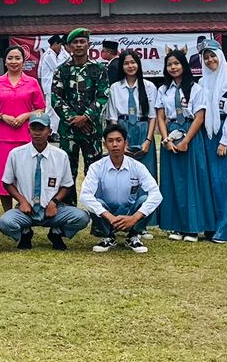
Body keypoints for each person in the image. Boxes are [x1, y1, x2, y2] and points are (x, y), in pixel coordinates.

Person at [0, 115, 89, 249]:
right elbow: (7, 182)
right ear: (28, 131)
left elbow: (67, 185)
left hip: (53, 210)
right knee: (4, 222)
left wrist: (54, 202)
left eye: (42, 129)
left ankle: (56, 232)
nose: (37, 132)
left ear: (50, 131)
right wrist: (22, 201)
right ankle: (25, 233)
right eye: (34, 128)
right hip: (26, 210)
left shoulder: (60, 155)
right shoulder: (16, 154)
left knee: (82, 217)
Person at [155, 49, 212, 240]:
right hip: (170, 135)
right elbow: (161, 116)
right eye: (169, 64)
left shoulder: (196, 89)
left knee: (191, 181)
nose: (173, 67)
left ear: (184, 65)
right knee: (173, 182)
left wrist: (186, 140)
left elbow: (200, 116)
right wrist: (165, 139)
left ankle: (192, 227)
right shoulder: (163, 90)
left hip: (190, 135)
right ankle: (176, 226)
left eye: (176, 63)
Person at [193, 38, 227, 243]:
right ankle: (212, 225)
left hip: (226, 134)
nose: (209, 60)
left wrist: (226, 140)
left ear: (221, 56)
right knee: (211, 182)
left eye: (213, 55)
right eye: (205, 57)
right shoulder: (203, 81)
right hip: (208, 133)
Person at [80, 124, 163, 253]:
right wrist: (109, 216)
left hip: (130, 212)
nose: (114, 145)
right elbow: (85, 195)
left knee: (145, 199)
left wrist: (134, 218)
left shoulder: (137, 166)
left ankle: (133, 236)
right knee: (96, 202)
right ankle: (107, 236)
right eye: (110, 141)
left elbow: (156, 194)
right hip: (106, 214)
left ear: (125, 143)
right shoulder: (96, 167)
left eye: (118, 140)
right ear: (104, 144)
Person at [0, 45, 47, 189]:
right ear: (5, 61)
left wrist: (26, 115)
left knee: (26, 176)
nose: (14, 61)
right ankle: (8, 211)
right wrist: (2, 117)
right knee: (2, 176)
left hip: (25, 136)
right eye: (10, 58)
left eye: (17, 58)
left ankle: (25, 208)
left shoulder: (32, 82)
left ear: (23, 61)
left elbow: (41, 109)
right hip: (2, 137)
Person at [52, 28, 109, 179]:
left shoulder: (99, 69)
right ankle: (68, 203)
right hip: (68, 130)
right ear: (69, 46)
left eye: (82, 42)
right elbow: (56, 98)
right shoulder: (61, 70)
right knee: (67, 174)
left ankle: (94, 203)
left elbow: (103, 96)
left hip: (91, 129)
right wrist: (74, 119)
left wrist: (85, 117)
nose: (78, 45)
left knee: (94, 173)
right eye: (75, 42)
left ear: (89, 44)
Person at [105, 50, 160, 178]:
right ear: (121, 66)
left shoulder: (149, 86)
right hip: (123, 130)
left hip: (143, 129)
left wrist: (148, 140)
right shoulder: (115, 88)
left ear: (139, 64)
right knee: (125, 172)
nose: (130, 66)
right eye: (126, 63)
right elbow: (113, 119)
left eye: (133, 62)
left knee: (147, 173)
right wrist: (121, 142)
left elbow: (152, 117)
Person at [37, 33, 68, 135]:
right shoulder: (49, 55)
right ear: (54, 44)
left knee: (53, 109)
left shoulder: (54, 55)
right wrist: (66, 57)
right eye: (60, 45)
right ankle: (49, 131)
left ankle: (52, 130)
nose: (60, 48)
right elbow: (56, 68)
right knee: (50, 110)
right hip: (50, 87)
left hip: (54, 86)